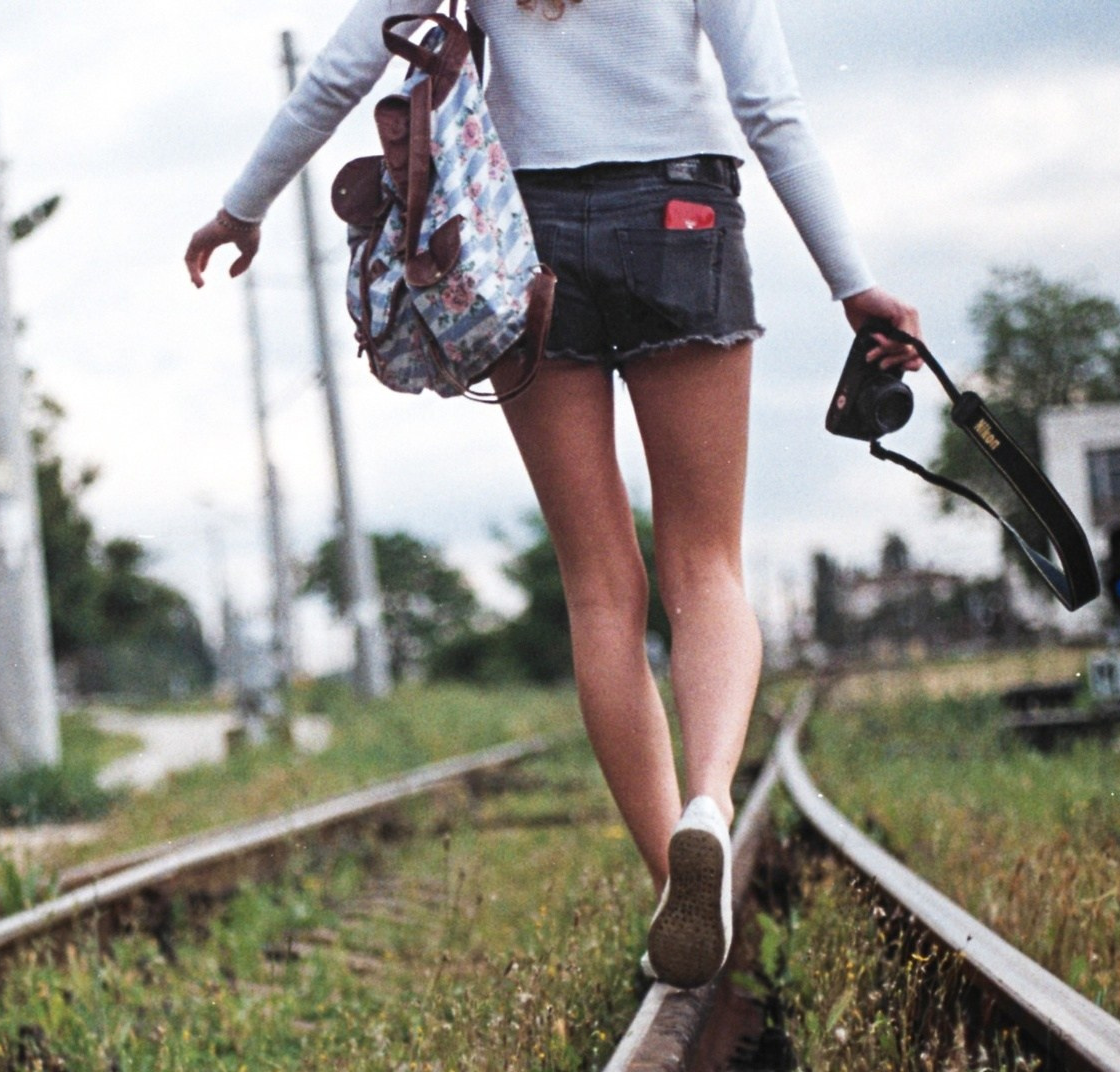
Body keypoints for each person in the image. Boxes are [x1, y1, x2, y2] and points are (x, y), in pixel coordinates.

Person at [187, 0, 919, 988]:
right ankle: (707, 806)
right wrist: (853, 283)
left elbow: (340, 71)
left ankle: (674, 875)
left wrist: (243, 207)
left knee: (599, 588)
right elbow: (770, 109)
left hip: (524, 241)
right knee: (705, 568)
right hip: (684, 214)